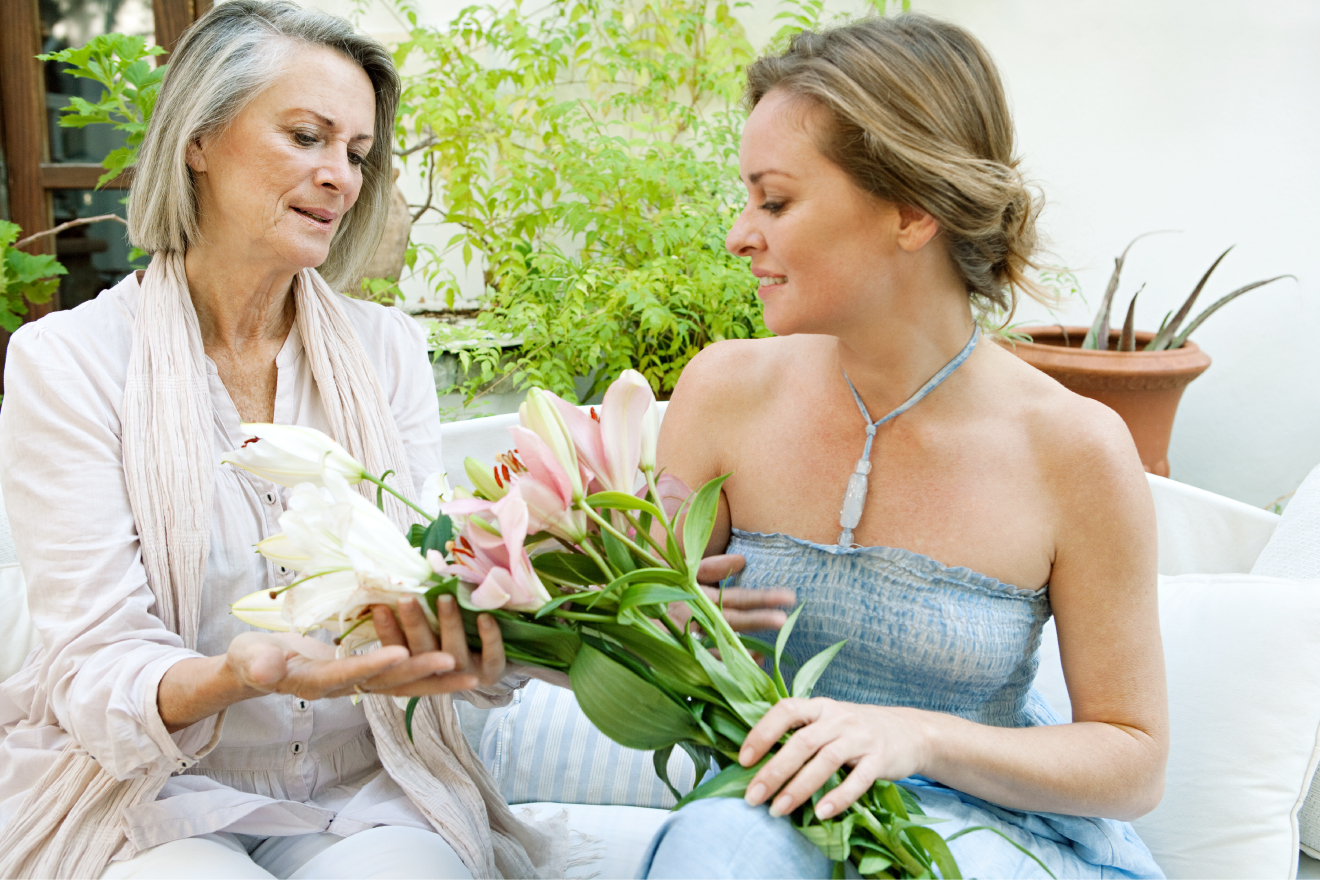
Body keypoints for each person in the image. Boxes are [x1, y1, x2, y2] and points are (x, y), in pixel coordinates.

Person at [0, 3, 562, 878]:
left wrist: (515, 599)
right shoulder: (68, 362)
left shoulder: (387, 350)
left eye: (357, 153)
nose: (339, 175)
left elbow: (421, 574)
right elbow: (93, 664)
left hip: (367, 788)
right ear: (200, 138)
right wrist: (241, 674)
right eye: (307, 136)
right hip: (150, 795)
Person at [640, 14, 1167, 879]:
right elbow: (647, 638)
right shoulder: (723, 394)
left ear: (913, 211)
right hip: (769, 817)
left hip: (996, 835)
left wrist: (913, 737)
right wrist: (585, 605)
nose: (740, 234)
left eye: (775, 200)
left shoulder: (1074, 449)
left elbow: (1133, 756)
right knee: (715, 848)